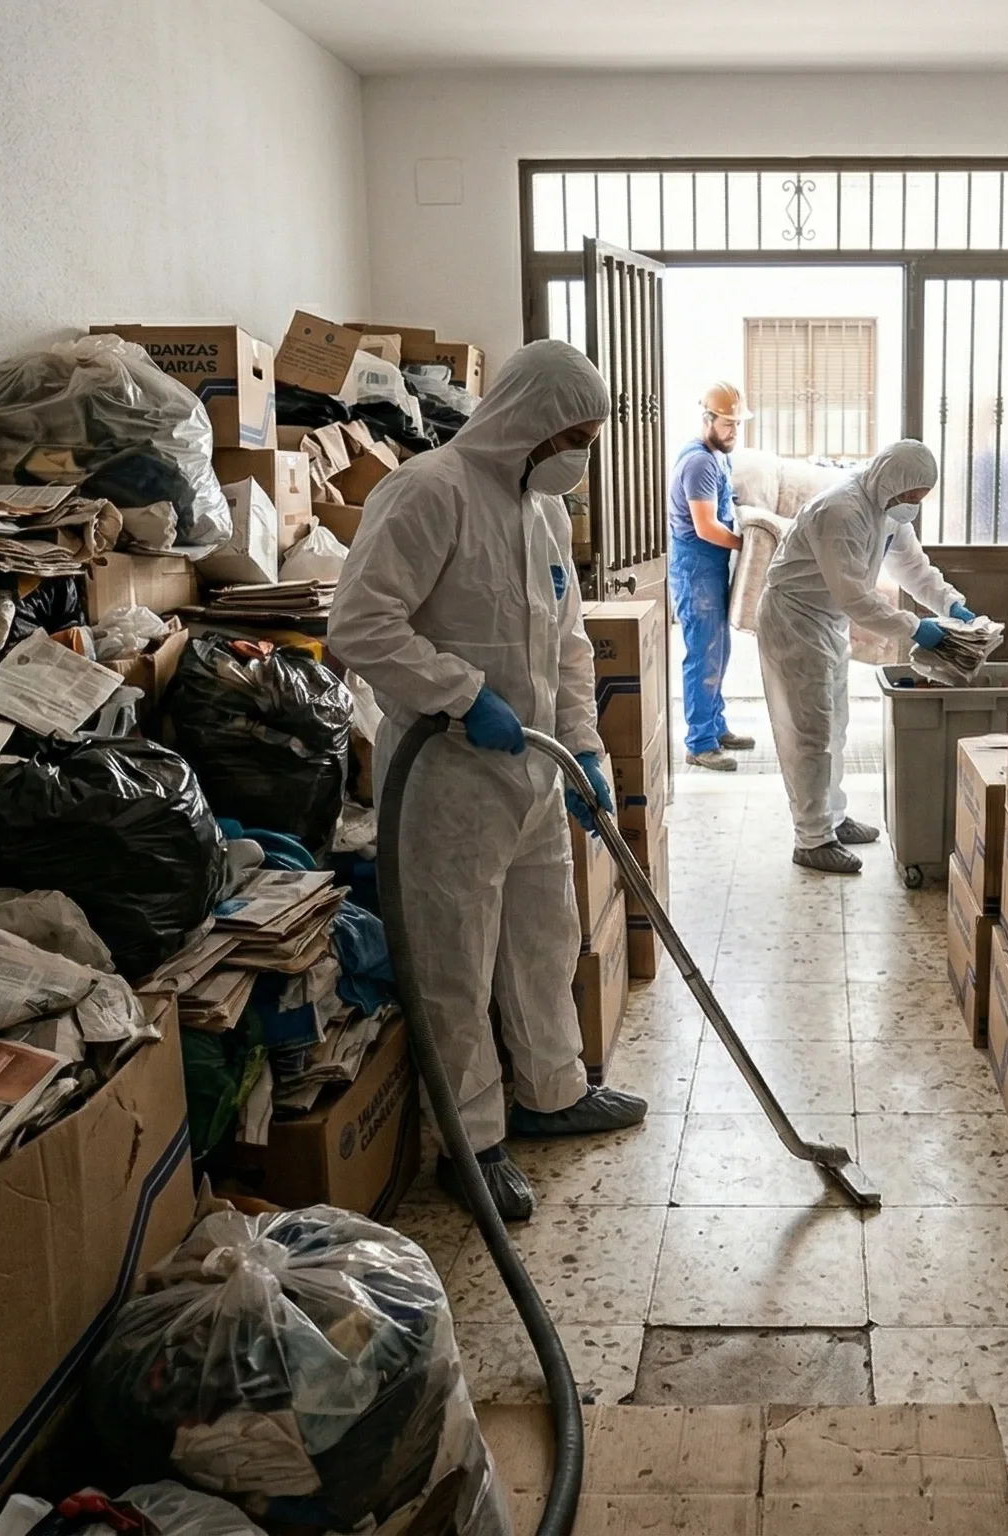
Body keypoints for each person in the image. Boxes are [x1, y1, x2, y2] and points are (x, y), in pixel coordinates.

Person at [325, 339, 648, 1221]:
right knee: (454, 962)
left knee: (546, 936)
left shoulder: (541, 512)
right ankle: (473, 1144)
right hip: (446, 784)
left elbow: (570, 648)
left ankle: (552, 1093)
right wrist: (464, 695)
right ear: (533, 423)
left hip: (534, 770)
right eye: (574, 434)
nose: (582, 452)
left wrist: (585, 750)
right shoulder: (429, 491)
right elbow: (359, 625)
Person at [756, 439, 984, 874]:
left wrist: (950, 605)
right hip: (794, 620)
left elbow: (913, 568)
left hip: (824, 621)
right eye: (911, 498)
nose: (913, 506)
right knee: (809, 732)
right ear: (890, 483)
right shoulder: (842, 511)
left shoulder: (886, 510)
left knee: (834, 726)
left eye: (920, 500)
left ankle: (832, 819)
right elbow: (856, 598)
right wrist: (918, 628)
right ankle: (812, 838)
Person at [669, 381, 755, 772]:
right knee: (703, 653)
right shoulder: (700, 462)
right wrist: (748, 546)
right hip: (696, 565)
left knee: (719, 651)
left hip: (711, 566)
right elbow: (705, 527)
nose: (734, 431)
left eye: (738, 424)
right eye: (727, 424)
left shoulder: (719, 457)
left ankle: (715, 726)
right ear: (707, 420)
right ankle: (699, 742)